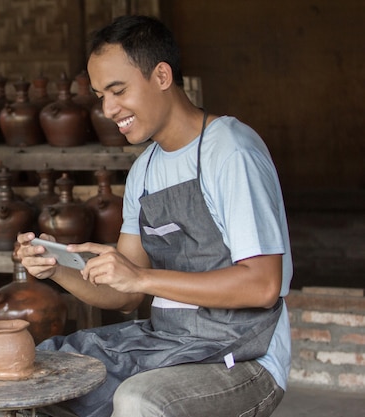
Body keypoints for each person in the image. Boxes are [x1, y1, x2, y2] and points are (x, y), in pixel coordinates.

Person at [16, 14, 292, 417]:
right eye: (100, 95)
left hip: (246, 357)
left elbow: (262, 284)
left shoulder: (230, 151)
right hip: (171, 343)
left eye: (118, 90)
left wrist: (141, 277)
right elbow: (125, 296)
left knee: (139, 399)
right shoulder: (144, 171)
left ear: (162, 76)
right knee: (48, 374)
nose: (108, 108)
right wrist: (56, 268)